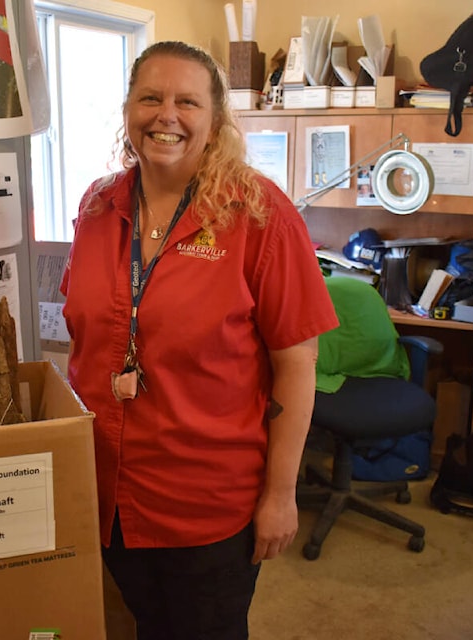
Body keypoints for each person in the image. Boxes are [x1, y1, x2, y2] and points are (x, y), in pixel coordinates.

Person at [59, 40, 339, 639]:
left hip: (206, 507)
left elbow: (297, 363)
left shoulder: (260, 214)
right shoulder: (97, 206)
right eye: (150, 98)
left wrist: (282, 494)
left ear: (215, 120)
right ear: (128, 110)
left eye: (187, 101)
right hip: (105, 494)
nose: (167, 115)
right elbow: (81, 335)